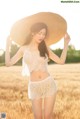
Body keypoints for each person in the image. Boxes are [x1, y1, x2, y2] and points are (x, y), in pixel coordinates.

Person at [5, 22, 70, 119]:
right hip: (34, 87)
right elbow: (8, 63)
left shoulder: (44, 47)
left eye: (44, 34)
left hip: (48, 84)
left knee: (48, 117)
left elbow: (61, 61)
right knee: (38, 117)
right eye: (39, 33)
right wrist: (7, 46)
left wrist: (66, 44)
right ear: (32, 33)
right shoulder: (23, 49)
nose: (42, 36)